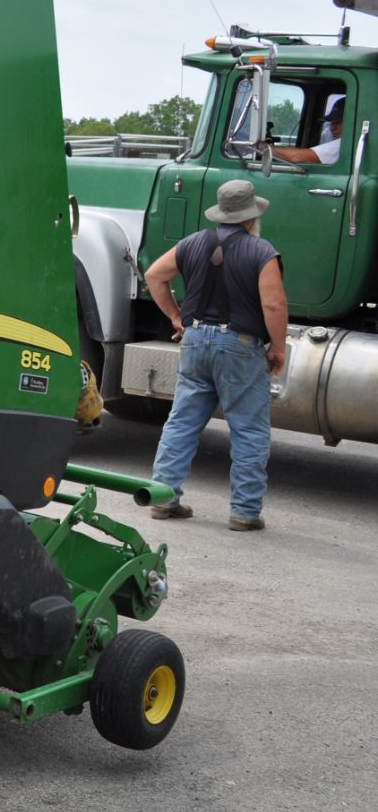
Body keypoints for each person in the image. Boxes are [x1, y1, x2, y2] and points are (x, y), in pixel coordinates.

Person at [142, 179, 288, 530]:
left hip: (193, 341)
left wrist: (177, 318)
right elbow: (273, 303)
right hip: (238, 345)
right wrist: (279, 348)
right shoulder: (261, 252)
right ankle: (245, 512)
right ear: (251, 216)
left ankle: (163, 498)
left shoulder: (192, 242)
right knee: (249, 430)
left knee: (182, 421)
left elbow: (153, 275)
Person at [270, 95, 345, 165]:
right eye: (331, 123)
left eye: (338, 123)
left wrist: (266, 149)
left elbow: (297, 157)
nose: (332, 128)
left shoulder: (342, 144)